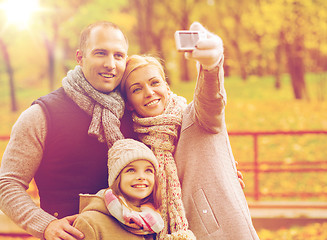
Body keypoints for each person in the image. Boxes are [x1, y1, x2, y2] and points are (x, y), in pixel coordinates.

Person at [120, 22, 259, 240]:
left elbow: (211, 98)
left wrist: (211, 65)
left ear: (167, 87)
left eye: (154, 82)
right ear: (129, 103)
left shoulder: (197, 117)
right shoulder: (137, 149)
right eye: (137, 89)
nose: (148, 92)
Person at [0, 21, 136, 239]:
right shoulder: (42, 115)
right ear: (80, 58)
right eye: (100, 53)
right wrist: (46, 225)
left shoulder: (134, 109)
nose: (111, 64)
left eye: (118, 56)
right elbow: (7, 184)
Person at [73, 139, 164, 239]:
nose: (142, 177)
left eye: (148, 170)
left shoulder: (158, 222)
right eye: (131, 170)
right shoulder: (90, 221)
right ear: (116, 178)